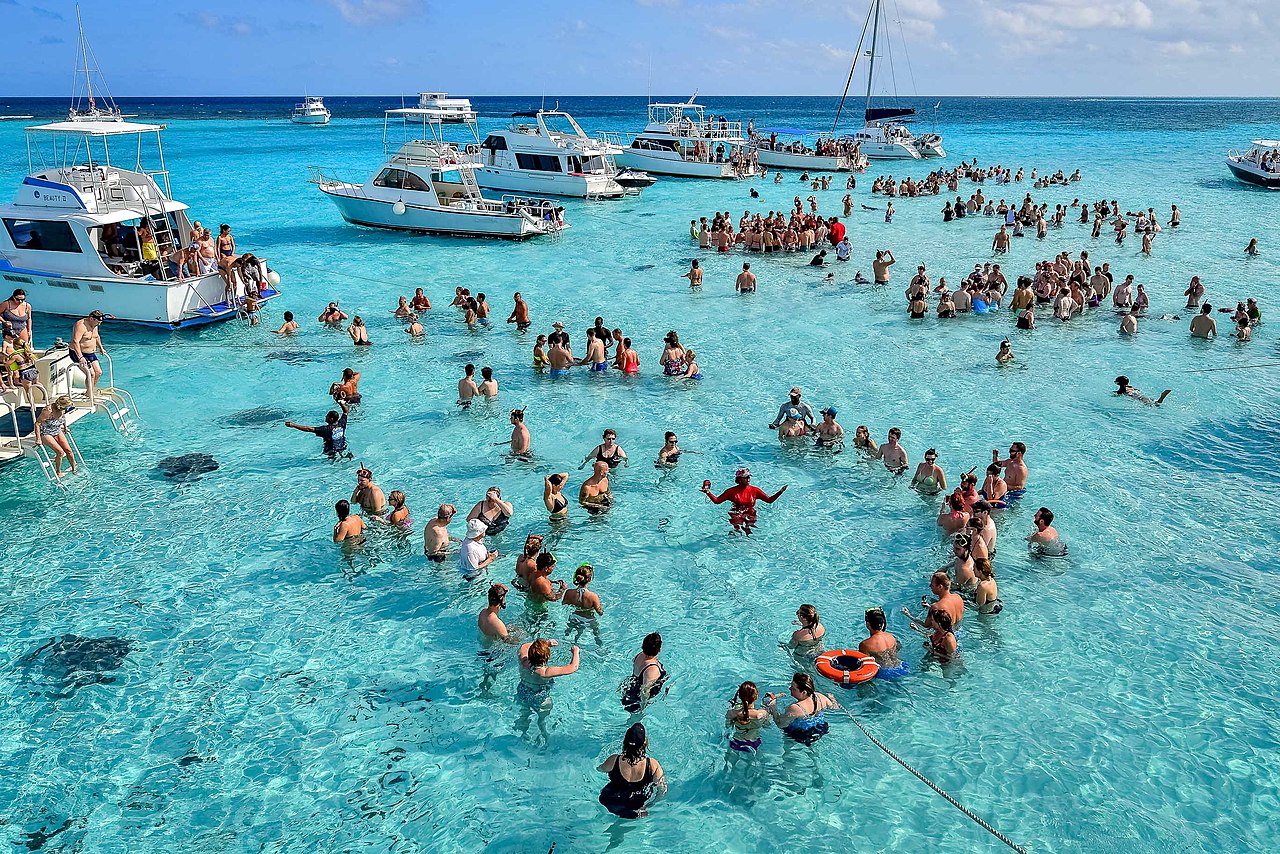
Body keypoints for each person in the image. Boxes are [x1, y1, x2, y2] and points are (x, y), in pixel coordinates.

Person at [598, 723, 666, 819]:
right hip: (637, 805)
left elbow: (600, 769)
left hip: (612, 801)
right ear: (644, 743)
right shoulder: (652, 765)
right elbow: (662, 790)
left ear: (625, 741)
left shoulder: (613, 760)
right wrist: (649, 806)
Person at [518, 638, 580, 737]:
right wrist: (575, 652)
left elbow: (524, 646)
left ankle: (523, 732)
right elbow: (573, 667)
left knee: (524, 712)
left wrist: (546, 643)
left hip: (523, 690)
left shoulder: (523, 661)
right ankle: (543, 732)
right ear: (547, 657)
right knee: (542, 718)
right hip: (540, 696)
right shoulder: (545, 672)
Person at [702, 468, 786, 535]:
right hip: (736, 513)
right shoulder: (731, 491)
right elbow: (717, 501)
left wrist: (780, 491)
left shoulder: (755, 490)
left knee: (749, 533)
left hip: (751, 513)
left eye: (749, 477)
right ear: (739, 479)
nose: (748, 479)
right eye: (746, 477)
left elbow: (769, 500)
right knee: (737, 531)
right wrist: (708, 492)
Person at [765, 672, 838, 746]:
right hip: (821, 728)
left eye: (793, 688)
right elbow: (835, 708)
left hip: (802, 735)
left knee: (787, 751)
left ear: (804, 692)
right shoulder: (820, 697)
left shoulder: (795, 708)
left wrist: (772, 708)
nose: (789, 688)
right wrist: (832, 698)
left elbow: (780, 724)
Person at [620, 632, 668, 713]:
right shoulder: (652, 669)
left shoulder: (639, 655)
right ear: (659, 649)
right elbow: (644, 691)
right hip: (636, 700)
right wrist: (643, 709)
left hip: (629, 689)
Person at [284, 400, 350, 457]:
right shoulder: (342, 423)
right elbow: (345, 412)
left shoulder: (326, 429)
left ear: (331, 419)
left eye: (327, 416)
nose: (325, 416)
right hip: (342, 447)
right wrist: (341, 403)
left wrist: (294, 425)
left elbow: (308, 429)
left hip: (331, 450)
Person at [34, 394, 77, 478]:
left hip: (57, 429)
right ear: (61, 406)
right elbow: (37, 424)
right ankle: (58, 471)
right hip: (46, 432)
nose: (68, 409)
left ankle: (74, 467)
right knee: (60, 452)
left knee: (68, 450)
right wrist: (38, 439)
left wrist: (65, 427)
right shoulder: (48, 410)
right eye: (67, 407)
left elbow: (63, 417)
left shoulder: (63, 409)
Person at [70, 310, 109, 400]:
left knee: (98, 372)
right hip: (78, 353)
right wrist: (80, 357)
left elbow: (97, 336)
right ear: (91, 318)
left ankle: (89, 391)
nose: (99, 324)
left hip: (90, 353)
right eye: (97, 322)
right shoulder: (81, 325)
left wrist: (101, 348)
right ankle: (89, 395)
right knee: (91, 374)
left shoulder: (94, 324)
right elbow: (75, 341)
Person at [725, 681, 770, 754]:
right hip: (754, 743)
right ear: (756, 696)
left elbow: (727, 726)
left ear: (740, 697)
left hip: (736, 742)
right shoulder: (762, 714)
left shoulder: (732, 713)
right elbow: (767, 725)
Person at [859, 607, 903, 671]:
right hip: (901, 667)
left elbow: (865, 665)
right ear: (883, 624)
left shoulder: (865, 644)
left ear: (868, 624)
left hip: (884, 673)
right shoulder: (891, 637)